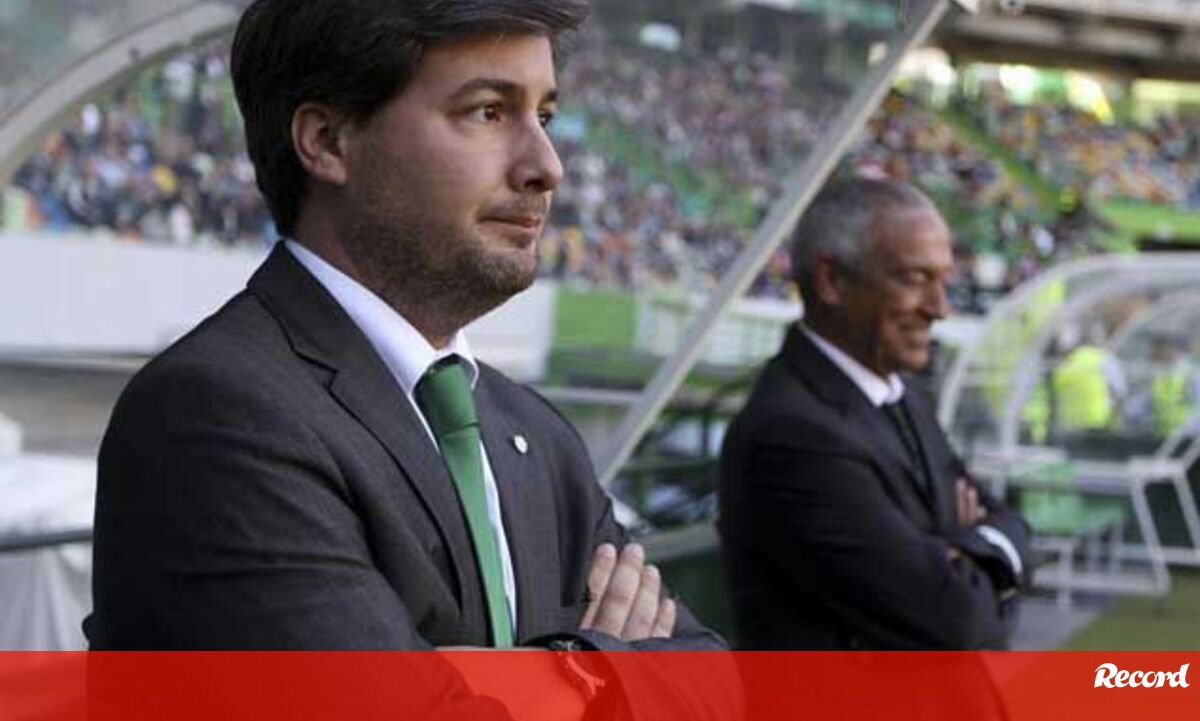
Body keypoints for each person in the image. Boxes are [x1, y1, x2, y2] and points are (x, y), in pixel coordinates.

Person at [86, 1, 736, 717]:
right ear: (327, 141)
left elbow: (716, 688)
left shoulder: (536, 434)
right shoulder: (216, 417)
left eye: (544, 117)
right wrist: (594, 670)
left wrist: (518, 681)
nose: (546, 167)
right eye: (488, 111)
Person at [718, 178, 1032, 650]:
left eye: (943, 281)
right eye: (914, 279)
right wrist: (968, 554)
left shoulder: (899, 395)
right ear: (832, 281)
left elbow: (1009, 521)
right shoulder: (792, 434)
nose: (939, 308)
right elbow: (956, 619)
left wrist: (965, 554)